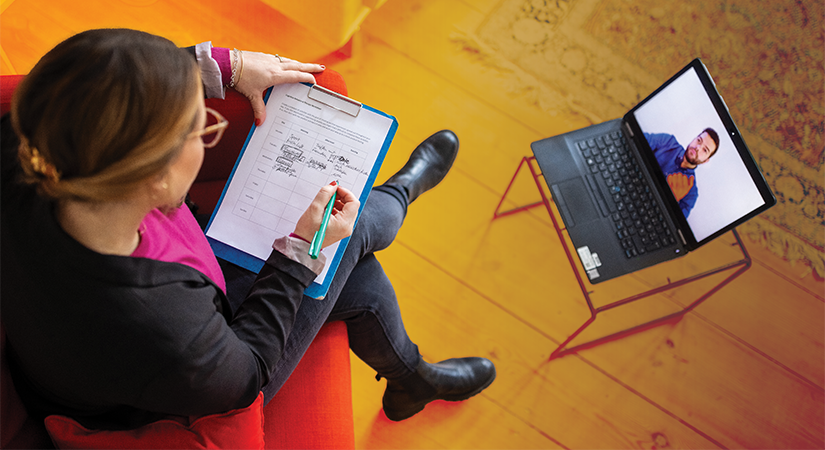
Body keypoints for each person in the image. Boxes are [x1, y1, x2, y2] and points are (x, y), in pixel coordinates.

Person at [0, 28, 495, 430]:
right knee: (353, 235)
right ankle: (397, 199)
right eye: (200, 129)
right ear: (158, 178)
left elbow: (102, 86)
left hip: (109, 336)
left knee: (355, 273)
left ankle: (412, 378)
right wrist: (301, 248)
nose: (206, 132)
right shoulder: (166, 328)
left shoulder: (26, 143)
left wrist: (225, 66)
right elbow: (246, 376)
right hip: (177, 385)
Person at [644, 128, 719, 218]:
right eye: (699, 140)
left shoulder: (691, 194)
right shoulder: (668, 141)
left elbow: (672, 222)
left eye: (705, 150)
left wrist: (671, 200)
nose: (698, 147)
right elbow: (637, 140)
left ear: (705, 161)